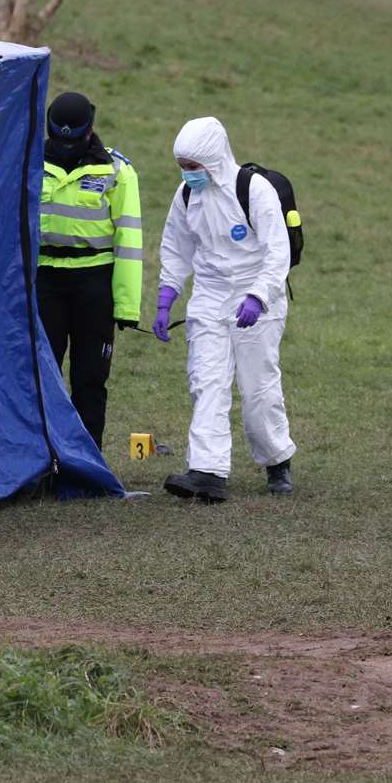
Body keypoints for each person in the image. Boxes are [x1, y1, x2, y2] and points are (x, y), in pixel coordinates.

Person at [153, 117, 297, 501]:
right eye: (182, 167)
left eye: (193, 167)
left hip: (256, 297)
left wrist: (258, 296)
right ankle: (207, 471)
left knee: (257, 388)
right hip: (210, 297)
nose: (187, 174)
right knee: (207, 381)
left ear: (213, 160)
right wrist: (167, 296)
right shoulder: (186, 195)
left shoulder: (254, 190)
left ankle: (276, 460)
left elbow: (277, 250)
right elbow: (176, 246)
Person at [35, 91, 143, 449]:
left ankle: (88, 461)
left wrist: (126, 306)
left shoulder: (116, 171)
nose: (65, 146)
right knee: (41, 376)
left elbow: (128, 241)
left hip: (94, 283)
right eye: (58, 138)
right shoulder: (30, 163)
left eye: (73, 138)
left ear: (90, 129)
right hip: (44, 280)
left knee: (90, 378)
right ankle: (42, 460)